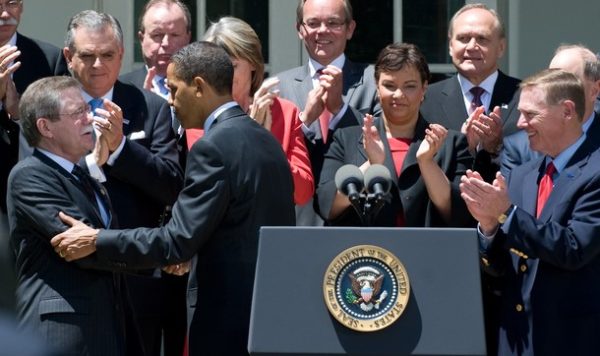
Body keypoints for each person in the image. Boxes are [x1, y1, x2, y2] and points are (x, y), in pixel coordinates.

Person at [51, 41, 296, 356]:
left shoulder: (213, 147)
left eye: (174, 89)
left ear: (198, 87)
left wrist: (97, 240)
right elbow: (236, 226)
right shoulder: (264, 139)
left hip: (225, 322)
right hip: (265, 316)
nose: (170, 101)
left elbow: (175, 242)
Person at [62, 10, 184, 355]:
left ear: (121, 55)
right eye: (87, 55)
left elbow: (171, 186)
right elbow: (37, 178)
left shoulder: (151, 107)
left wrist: (121, 150)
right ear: (69, 57)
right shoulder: (49, 106)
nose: (98, 64)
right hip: (72, 272)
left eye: (108, 55)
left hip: (136, 274)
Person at [460, 69, 600, 355]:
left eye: (531, 114)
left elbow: (574, 248)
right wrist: (488, 227)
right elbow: (501, 267)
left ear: (567, 111)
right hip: (515, 340)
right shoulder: (521, 175)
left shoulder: (595, 172)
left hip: (571, 339)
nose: (521, 124)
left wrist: (506, 214)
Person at [7, 76, 134, 355]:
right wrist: (162, 250)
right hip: (61, 335)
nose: (90, 118)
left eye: (88, 108)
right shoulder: (30, 175)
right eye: (78, 112)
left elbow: (96, 240)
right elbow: (85, 247)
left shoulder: (86, 179)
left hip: (105, 332)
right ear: (45, 127)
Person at [317, 43, 473, 228]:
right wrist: (371, 165)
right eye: (389, 85)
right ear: (377, 87)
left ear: (424, 89)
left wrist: (427, 162)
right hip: (365, 252)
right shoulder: (345, 138)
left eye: (410, 86)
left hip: (428, 252)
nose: (398, 94)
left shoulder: (451, 143)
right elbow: (327, 207)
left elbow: (458, 214)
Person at [187, 16, 314, 205]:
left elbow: (303, 192)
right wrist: (253, 136)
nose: (223, 74)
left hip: (271, 229)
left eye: (232, 65)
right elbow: (215, 187)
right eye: (215, 67)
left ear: (253, 62)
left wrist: (267, 146)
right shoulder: (200, 115)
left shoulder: (285, 113)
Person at [275, 0, 379, 225]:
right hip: (295, 220)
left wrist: (340, 111)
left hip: (357, 216)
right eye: (313, 23)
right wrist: (304, 119)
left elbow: (383, 148)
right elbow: (273, 156)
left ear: (350, 29)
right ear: (300, 30)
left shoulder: (375, 81)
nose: (322, 31)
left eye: (333, 22)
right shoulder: (278, 87)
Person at [0, 0, 68, 312]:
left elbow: (61, 138)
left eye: (12, 2)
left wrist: (17, 114)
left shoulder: (48, 58)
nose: (5, 13)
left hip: (32, 207)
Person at [420, 3, 520, 183]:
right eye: (463, 38)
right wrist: (461, 144)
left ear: (501, 47)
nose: (472, 46)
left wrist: (496, 146)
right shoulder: (426, 99)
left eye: (482, 39)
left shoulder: (524, 97)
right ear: (450, 45)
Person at [501, 44, 600, 176]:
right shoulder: (520, 147)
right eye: (551, 81)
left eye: (567, 82)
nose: (555, 89)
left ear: (594, 91)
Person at [120, 0, 191, 102]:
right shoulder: (121, 88)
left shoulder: (201, 88)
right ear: (141, 38)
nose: (166, 43)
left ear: (188, 38)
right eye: (157, 35)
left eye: (175, 35)